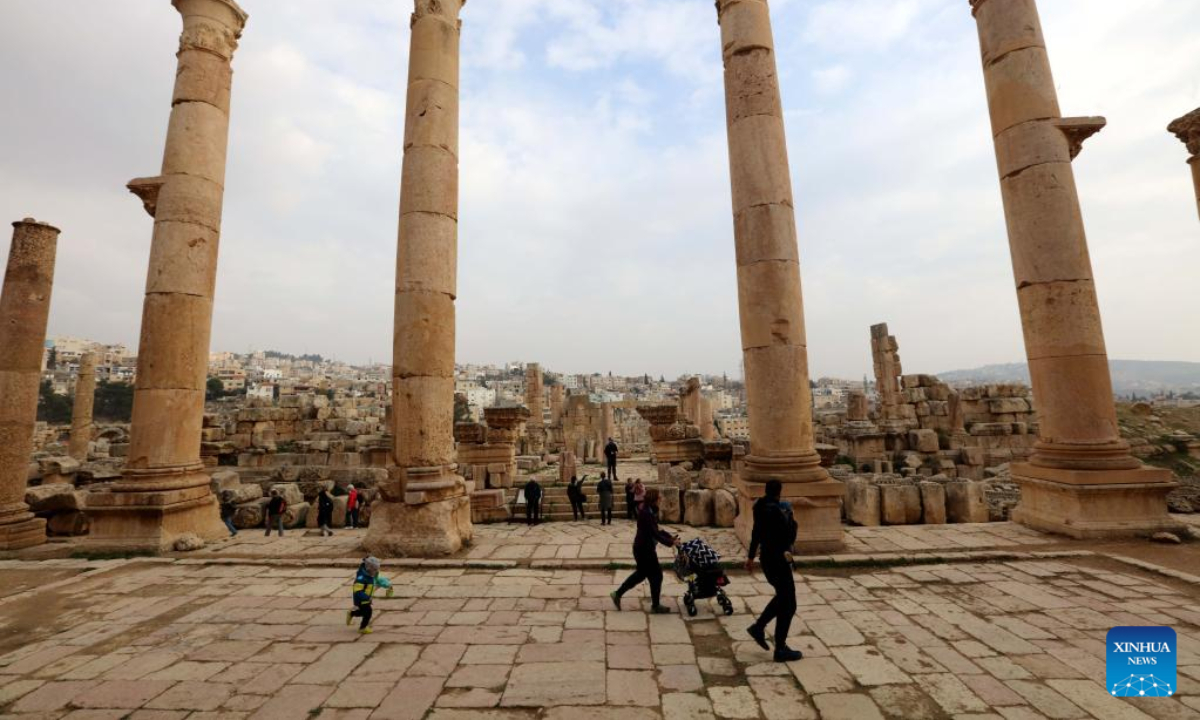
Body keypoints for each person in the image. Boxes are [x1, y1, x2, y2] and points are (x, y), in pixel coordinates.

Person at [745, 479, 803, 662]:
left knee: (783, 599)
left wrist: (750, 557)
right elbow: (789, 537)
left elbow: (756, 533)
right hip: (779, 561)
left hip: (767, 561)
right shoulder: (780, 511)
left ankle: (760, 629)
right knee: (789, 603)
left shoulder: (759, 508)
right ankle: (779, 648)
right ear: (779, 492)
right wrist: (792, 519)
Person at [611, 488, 678, 613]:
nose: (661, 499)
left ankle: (617, 594)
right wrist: (670, 542)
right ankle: (656, 606)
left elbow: (657, 529)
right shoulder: (647, 513)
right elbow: (655, 533)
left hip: (642, 548)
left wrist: (670, 537)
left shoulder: (649, 511)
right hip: (644, 550)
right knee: (656, 575)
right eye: (659, 497)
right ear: (654, 499)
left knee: (641, 574)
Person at [346, 556, 393, 635]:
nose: (376, 571)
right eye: (375, 569)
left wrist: (388, 585)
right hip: (360, 599)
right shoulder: (361, 578)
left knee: (363, 612)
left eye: (377, 569)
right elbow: (357, 591)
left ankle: (352, 613)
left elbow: (379, 580)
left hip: (367, 598)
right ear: (368, 568)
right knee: (368, 612)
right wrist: (367, 597)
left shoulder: (372, 574)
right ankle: (362, 628)